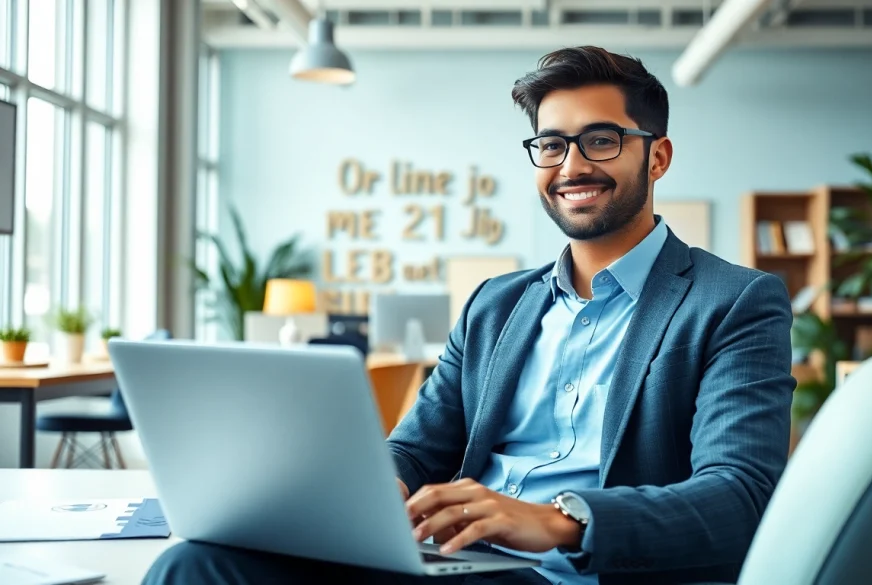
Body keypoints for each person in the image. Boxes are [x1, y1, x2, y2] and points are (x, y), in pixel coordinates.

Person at [142, 46, 795, 585]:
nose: (572, 166)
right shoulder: (496, 303)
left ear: (657, 156)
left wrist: (560, 520)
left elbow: (739, 494)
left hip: (576, 573)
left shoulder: (734, 301)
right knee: (194, 563)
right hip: (459, 560)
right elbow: (416, 447)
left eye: (600, 140)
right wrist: (373, 491)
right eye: (551, 144)